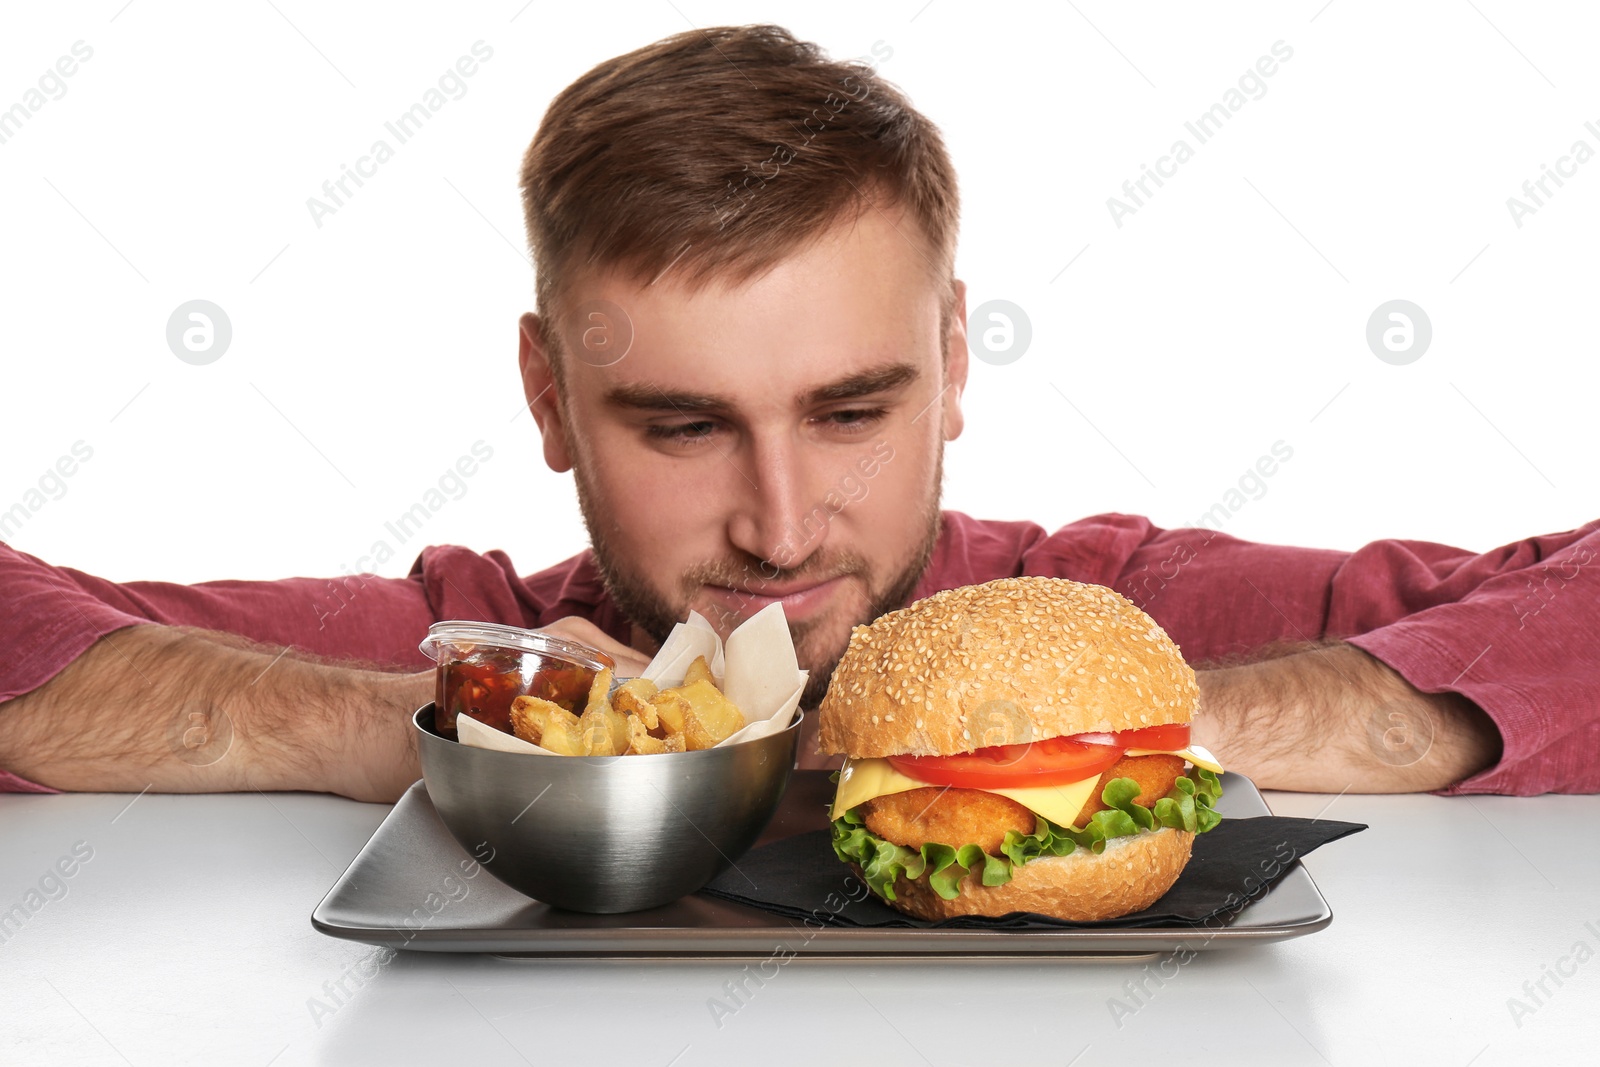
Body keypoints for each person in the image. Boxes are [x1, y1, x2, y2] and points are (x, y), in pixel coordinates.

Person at [1, 26, 1593, 803]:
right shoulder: (476, 649)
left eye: (850, 413)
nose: (777, 528)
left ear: (956, 364)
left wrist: (1104, 745)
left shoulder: (1096, 615)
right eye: (682, 427)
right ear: (551, 399)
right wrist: (442, 736)